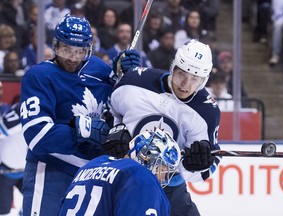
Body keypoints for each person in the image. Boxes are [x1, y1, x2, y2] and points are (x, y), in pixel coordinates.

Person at [19, 14, 140, 216]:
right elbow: (36, 135)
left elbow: (119, 105)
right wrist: (83, 130)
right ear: (56, 45)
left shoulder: (98, 68)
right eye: (66, 49)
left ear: (88, 49)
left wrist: (122, 75)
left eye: (80, 51)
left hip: (92, 173)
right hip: (51, 170)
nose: (73, 58)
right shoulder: (39, 76)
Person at [108, 39, 221, 216]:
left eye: (195, 79)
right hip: (124, 178)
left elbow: (209, 166)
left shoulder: (206, 111)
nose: (185, 84)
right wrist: (113, 130)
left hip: (169, 188)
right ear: (172, 67)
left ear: (204, 81)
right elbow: (109, 112)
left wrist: (197, 166)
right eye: (181, 74)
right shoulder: (133, 82)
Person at [58, 128, 181, 216]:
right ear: (149, 159)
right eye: (163, 170)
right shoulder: (142, 177)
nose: (163, 179)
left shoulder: (92, 165)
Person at [0, 102, 27, 216]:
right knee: (4, 210)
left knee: (34, 206)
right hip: (5, 171)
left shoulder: (21, 108)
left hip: (28, 170)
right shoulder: (18, 109)